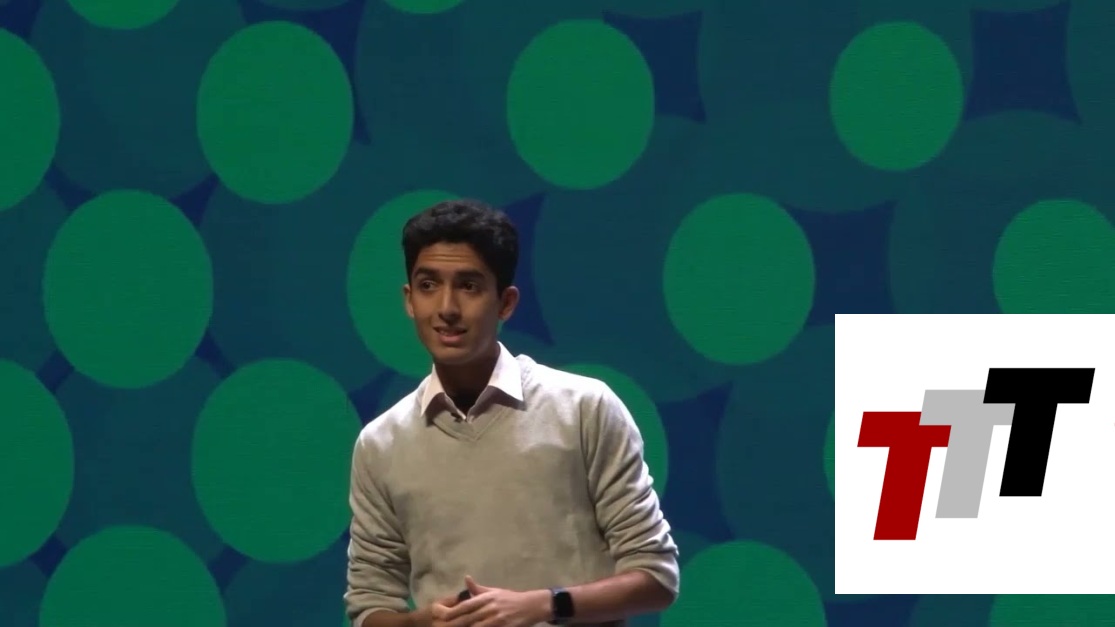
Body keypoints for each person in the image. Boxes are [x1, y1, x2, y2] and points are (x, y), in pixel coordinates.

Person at [344, 198, 680, 627]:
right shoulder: (381, 444)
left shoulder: (584, 409)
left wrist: (543, 605)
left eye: (469, 286)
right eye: (428, 285)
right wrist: (423, 622)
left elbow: (656, 576)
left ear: (505, 303)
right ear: (409, 300)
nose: (446, 308)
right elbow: (368, 608)